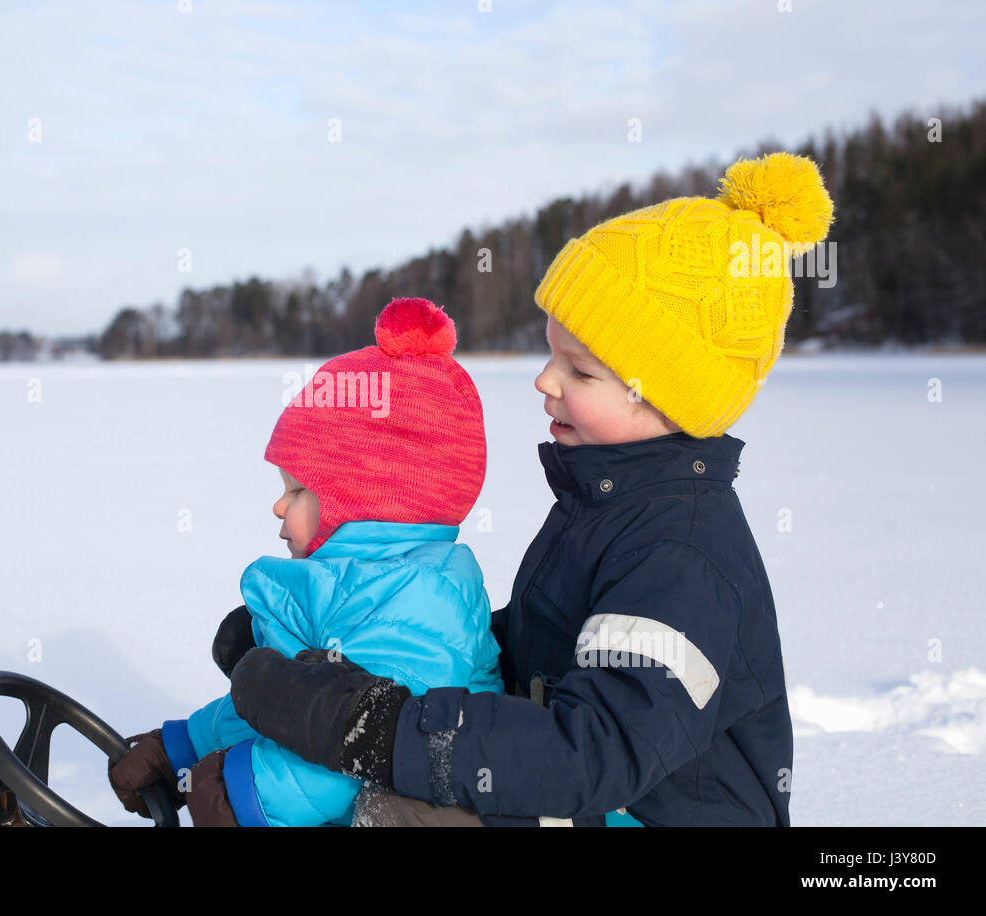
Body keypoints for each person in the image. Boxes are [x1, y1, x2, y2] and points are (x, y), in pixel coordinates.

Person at [225, 152, 835, 826]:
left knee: (410, 814)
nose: (546, 382)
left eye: (580, 370)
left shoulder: (679, 556)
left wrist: (367, 723)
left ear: (670, 398)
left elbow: (590, 755)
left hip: (643, 811)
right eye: (551, 355)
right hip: (602, 803)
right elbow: (536, 654)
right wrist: (350, 646)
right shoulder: (611, 507)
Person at [107, 297, 504, 826]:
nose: (278, 505)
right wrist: (182, 748)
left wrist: (245, 791)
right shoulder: (349, 584)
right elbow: (292, 714)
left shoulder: (416, 601)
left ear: (362, 499)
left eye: (297, 490)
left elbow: (356, 755)